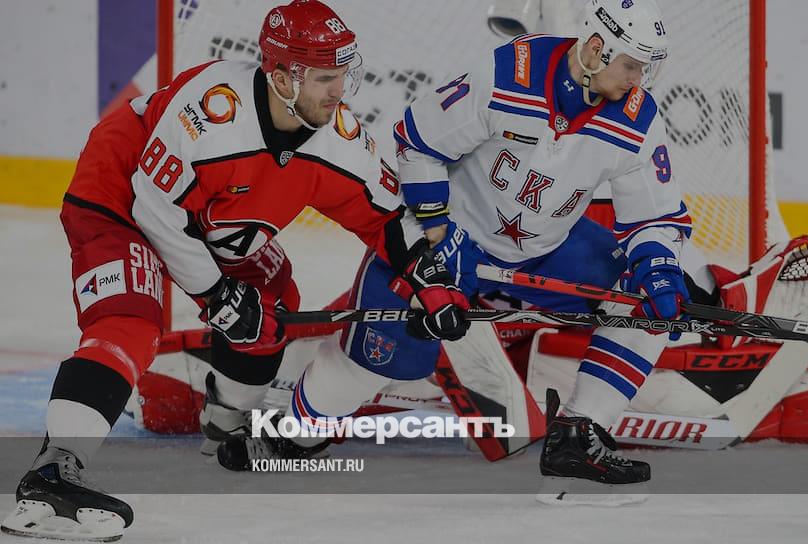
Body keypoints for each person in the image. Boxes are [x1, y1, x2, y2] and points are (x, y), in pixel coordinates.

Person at [0, 1, 468, 540]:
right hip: (122, 195)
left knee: (269, 309)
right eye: (325, 77)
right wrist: (216, 294)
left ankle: (225, 422)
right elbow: (156, 210)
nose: (339, 91)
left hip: (216, 212)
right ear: (281, 77)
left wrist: (431, 282)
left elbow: (387, 220)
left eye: (343, 74)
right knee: (130, 318)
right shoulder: (210, 114)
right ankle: (54, 470)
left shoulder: (339, 139)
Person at [214, 0, 692, 504]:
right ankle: (292, 438)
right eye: (631, 65)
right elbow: (417, 141)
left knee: (643, 302)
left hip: (546, 248)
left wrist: (659, 266)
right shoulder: (511, 74)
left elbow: (656, 216)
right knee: (371, 362)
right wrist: (438, 234)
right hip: (449, 243)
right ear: (596, 50)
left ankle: (579, 434)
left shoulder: (638, 117)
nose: (638, 80)